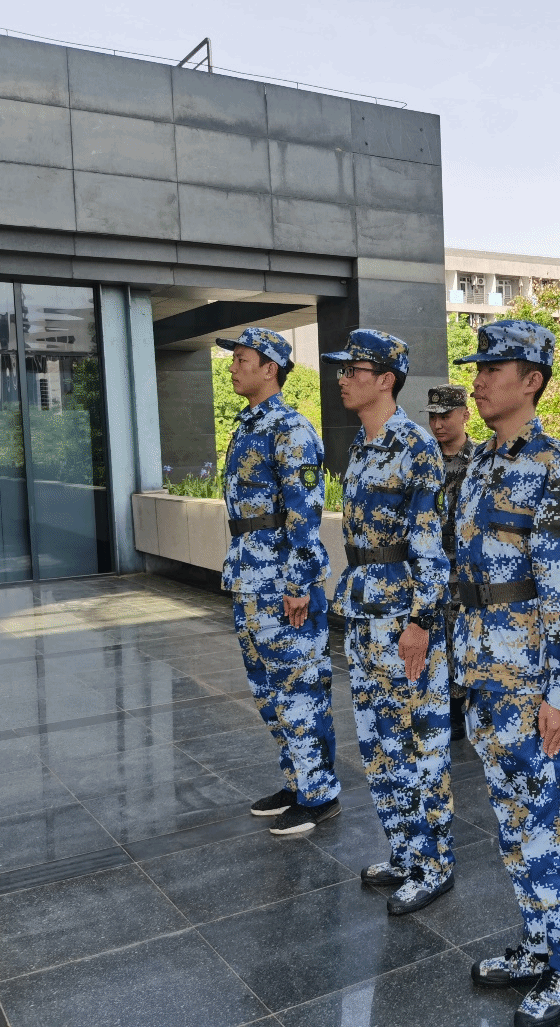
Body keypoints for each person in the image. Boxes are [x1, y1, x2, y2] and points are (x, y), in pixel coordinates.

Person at [452, 320, 560, 1027]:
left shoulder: (552, 465)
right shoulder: (481, 462)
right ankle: (538, 943)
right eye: (477, 368)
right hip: (486, 672)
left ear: (531, 380)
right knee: (514, 823)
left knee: (552, 825)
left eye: (493, 369)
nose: (478, 381)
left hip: (533, 680)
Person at [322, 329, 456, 915]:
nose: (343, 379)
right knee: (379, 744)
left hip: (403, 620)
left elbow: (429, 546)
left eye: (354, 370)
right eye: (343, 369)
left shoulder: (415, 445)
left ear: (385, 379)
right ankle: (405, 851)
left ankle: (435, 864)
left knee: (421, 743)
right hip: (364, 615)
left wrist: (421, 620)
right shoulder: (363, 443)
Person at [219, 327, 341, 836]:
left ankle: (320, 794)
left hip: (281, 584)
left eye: (241, 360)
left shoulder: (291, 429)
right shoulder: (249, 425)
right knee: (270, 693)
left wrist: (297, 584)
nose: (232, 367)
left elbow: (304, 515)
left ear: (270, 368)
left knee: (299, 689)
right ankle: (297, 782)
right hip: (249, 579)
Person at [425, 383, 477, 743]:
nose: (438, 424)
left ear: (464, 415)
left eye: (445, 416)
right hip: (430, 568)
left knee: (462, 641)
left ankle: (462, 709)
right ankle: (441, 707)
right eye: (433, 417)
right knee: (434, 641)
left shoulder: (480, 461)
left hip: (466, 570)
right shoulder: (423, 460)